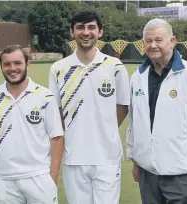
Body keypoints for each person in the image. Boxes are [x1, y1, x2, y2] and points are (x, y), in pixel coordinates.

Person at [127, 18, 187, 204]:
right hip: (147, 173)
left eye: (158, 40)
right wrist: (135, 159)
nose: (153, 45)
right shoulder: (137, 77)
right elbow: (134, 122)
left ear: (172, 41)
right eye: (148, 41)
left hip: (181, 173)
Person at [48, 11, 130, 204]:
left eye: (91, 27)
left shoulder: (114, 66)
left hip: (107, 158)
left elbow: (123, 107)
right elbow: (55, 111)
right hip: (73, 157)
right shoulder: (58, 68)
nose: (86, 32)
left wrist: (104, 129)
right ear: (72, 32)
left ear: (100, 32)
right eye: (80, 27)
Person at [0, 44, 64, 204]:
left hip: (38, 176)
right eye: (7, 64)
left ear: (27, 64)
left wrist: (52, 176)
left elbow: (57, 138)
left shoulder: (44, 97)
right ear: (1, 66)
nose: (12, 68)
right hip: (4, 178)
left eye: (17, 63)